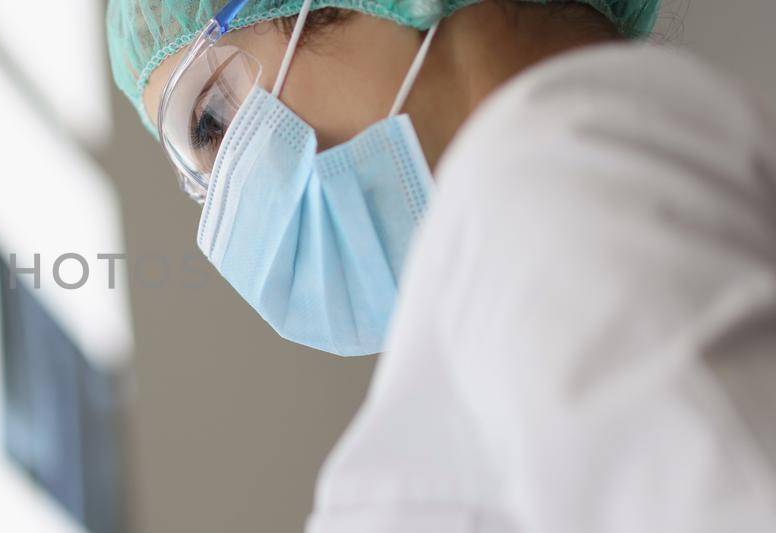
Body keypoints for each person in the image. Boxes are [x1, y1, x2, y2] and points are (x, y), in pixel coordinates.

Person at [106, 0, 776, 531]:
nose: (234, 200)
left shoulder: (547, 186)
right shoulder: (544, 210)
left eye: (214, 116)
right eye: (201, 182)